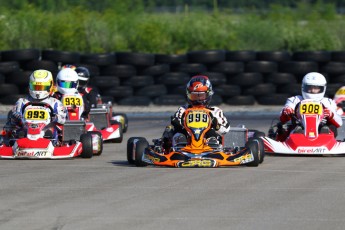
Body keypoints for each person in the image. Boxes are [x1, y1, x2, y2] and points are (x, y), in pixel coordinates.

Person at [162, 75, 230, 151]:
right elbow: (176, 122)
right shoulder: (183, 109)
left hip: (207, 144)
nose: (198, 100)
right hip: (188, 141)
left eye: (201, 96)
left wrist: (216, 124)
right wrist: (177, 122)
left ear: (208, 94)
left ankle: (212, 147)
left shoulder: (215, 111)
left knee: (211, 132)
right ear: (189, 95)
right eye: (194, 96)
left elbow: (225, 130)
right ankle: (179, 149)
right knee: (176, 131)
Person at [277, 72, 342, 141]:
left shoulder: (328, 102)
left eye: (316, 88)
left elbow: (339, 123)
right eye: (309, 88)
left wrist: (331, 115)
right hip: (299, 126)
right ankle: (296, 136)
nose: (312, 90)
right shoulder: (294, 100)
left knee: (331, 127)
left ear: (323, 88)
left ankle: (325, 137)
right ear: (303, 87)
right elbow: (281, 118)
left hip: (321, 128)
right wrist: (286, 112)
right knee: (288, 127)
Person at [5, 69, 66, 137]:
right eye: (35, 87)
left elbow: (63, 118)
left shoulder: (55, 103)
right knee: (17, 132)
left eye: (42, 87)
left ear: (50, 85)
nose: (38, 90)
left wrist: (55, 117)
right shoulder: (22, 101)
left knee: (51, 131)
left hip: (47, 134)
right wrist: (17, 116)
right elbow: (13, 118)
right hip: (25, 133)